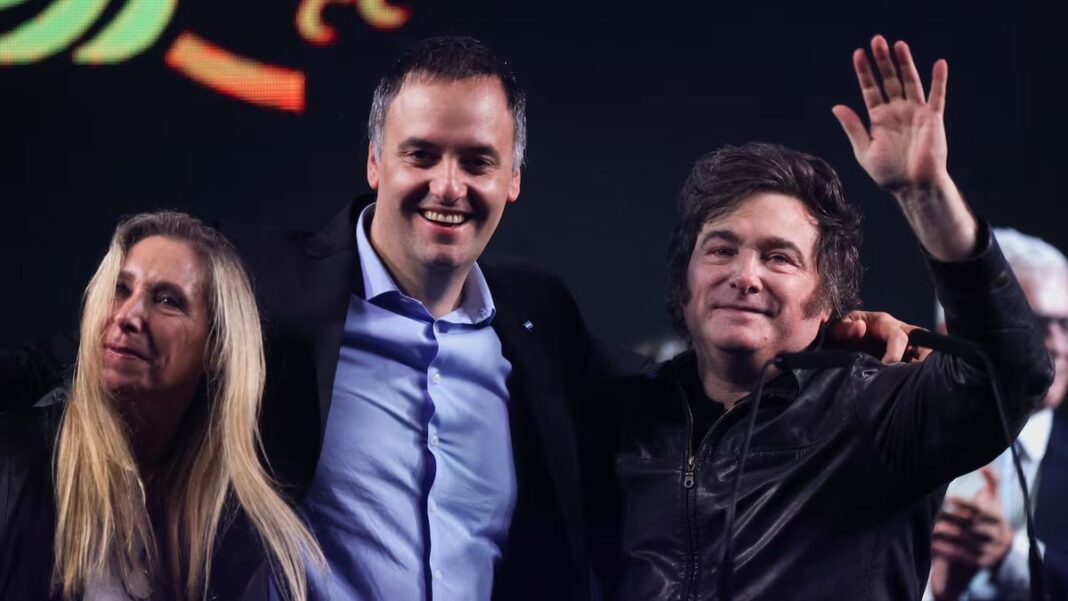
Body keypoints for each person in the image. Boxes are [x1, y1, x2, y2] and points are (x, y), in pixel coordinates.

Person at [2, 37, 925, 600]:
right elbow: (77, 357)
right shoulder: (266, 280)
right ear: (375, 162)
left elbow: (678, 392)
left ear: (513, 178)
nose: (448, 186)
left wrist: (827, 336)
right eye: (422, 155)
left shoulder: (537, 316)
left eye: (477, 160)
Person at [582, 36, 1052, 600]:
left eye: (779, 257)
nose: (745, 275)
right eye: (721, 249)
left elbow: (1011, 371)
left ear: (829, 299)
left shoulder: (880, 413)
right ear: (686, 280)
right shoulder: (623, 411)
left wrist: (927, 196)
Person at [0, 212, 322, 600]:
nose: (128, 316)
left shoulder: (241, 532)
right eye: (120, 289)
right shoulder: (15, 469)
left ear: (216, 347)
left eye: (168, 301)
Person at [926, 229, 1068, 600]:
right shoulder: (894, 442)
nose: (1057, 345)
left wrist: (1010, 556)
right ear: (951, 332)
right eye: (1034, 324)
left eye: (1066, 326)